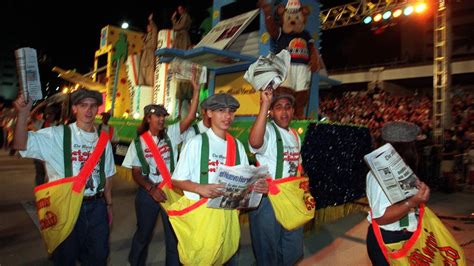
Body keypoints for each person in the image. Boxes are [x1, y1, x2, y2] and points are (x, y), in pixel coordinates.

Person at [13, 88, 116, 265]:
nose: (89, 110)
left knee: (99, 257)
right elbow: (20, 145)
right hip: (65, 205)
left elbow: (107, 175)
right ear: (75, 108)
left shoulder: (103, 139)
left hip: (96, 206)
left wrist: (108, 204)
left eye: (92, 106)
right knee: (65, 258)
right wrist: (23, 114)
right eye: (83, 105)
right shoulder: (56, 135)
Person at [122, 80, 200, 266]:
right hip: (148, 193)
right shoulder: (138, 143)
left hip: (170, 191)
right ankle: (135, 262)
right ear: (148, 118)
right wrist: (151, 188)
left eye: (164, 115)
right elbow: (137, 173)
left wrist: (196, 91)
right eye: (157, 115)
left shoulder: (172, 134)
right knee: (143, 234)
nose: (162, 118)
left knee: (173, 235)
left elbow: (189, 118)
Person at [171, 93, 250, 264]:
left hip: (228, 215)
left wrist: (254, 188)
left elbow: (243, 182)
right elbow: (176, 180)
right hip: (202, 216)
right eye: (221, 110)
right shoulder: (196, 143)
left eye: (231, 111)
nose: (227, 116)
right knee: (201, 259)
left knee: (228, 257)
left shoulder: (237, 147)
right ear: (209, 113)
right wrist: (200, 188)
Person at [247, 89, 304, 265]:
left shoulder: (295, 135)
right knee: (267, 253)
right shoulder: (268, 132)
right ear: (271, 112)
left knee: (292, 250)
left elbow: (297, 166)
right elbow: (255, 142)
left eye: (288, 107)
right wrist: (265, 104)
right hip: (268, 201)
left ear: (293, 111)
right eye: (278, 107)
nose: (284, 112)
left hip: (291, 199)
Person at [366, 121, 430, 265]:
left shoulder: (403, 169)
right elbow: (381, 217)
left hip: (403, 237)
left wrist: (419, 195)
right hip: (388, 239)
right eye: (414, 145)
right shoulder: (378, 174)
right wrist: (411, 202)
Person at [139, 13, 158, 86]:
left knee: (150, 76)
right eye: (147, 26)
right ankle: (145, 87)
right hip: (145, 58)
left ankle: (149, 88)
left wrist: (151, 21)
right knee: (143, 72)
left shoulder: (153, 35)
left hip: (150, 57)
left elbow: (155, 29)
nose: (147, 27)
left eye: (149, 26)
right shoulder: (147, 36)